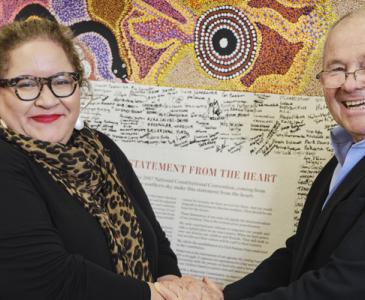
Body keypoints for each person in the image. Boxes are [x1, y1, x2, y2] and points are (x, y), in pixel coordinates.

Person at [0, 18, 183, 300]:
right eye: (25, 84)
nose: (47, 100)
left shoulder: (100, 146)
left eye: (61, 81)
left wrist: (174, 287)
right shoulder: (6, 162)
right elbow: (51, 279)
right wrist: (162, 297)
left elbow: (157, 245)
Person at [219, 9, 365, 300]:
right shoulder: (341, 159)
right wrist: (223, 296)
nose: (350, 84)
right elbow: (300, 251)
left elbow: (341, 286)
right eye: (337, 69)